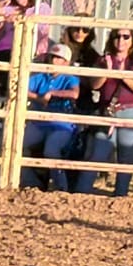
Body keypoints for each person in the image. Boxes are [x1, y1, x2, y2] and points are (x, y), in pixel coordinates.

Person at [79, 27, 133, 196]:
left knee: (126, 155)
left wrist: (121, 74)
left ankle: (120, 194)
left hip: (130, 111)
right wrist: (107, 72)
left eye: (126, 36)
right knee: (98, 152)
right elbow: (95, 85)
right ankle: (82, 192)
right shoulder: (103, 60)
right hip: (107, 111)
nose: (121, 40)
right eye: (117, 36)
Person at [24, 40, 81, 191]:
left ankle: (60, 186)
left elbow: (74, 93)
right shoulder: (41, 76)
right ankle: (32, 182)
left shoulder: (69, 78)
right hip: (39, 122)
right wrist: (39, 98)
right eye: (51, 57)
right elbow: (22, 88)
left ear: (66, 63)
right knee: (21, 144)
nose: (53, 60)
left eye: (58, 58)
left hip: (61, 123)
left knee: (51, 150)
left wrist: (52, 93)